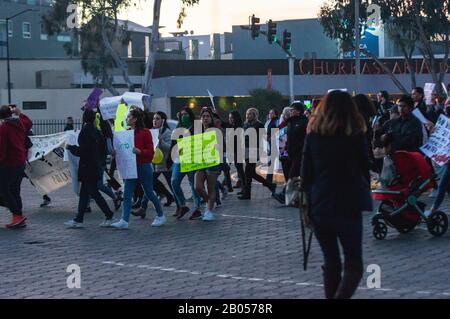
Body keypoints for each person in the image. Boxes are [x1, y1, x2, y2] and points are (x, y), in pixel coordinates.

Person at [301, 90, 372, 299]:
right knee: (354, 264)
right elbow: (364, 168)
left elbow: (306, 174)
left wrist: (307, 206)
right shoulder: (355, 134)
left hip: (321, 203)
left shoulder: (313, 135)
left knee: (331, 261)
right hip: (349, 203)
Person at [111, 108, 166, 229]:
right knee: (127, 194)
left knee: (149, 193)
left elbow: (151, 152)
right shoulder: (127, 132)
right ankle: (124, 220)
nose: (127, 119)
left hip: (143, 166)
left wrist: (140, 151)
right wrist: (116, 152)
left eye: (129, 117)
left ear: (135, 119)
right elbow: (123, 149)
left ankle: (161, 215)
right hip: (131, 168)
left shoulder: (145, 132)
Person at [64, 109, 115, 229]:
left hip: (87, 167)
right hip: (95, 166)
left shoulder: (85, 132)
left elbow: (83, 151)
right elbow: (102, 150)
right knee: (85, 193)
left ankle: (109, 215)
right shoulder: (97, 132)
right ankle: (79, 219)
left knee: (93, 193)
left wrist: (71, 147)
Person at [132, 111, 175, 218]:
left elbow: (169, 148)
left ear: (162, 121)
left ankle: (180, 205)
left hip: (165, 164)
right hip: (155, 164)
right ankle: (143, 207)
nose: (155, 121)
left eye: (158, 119)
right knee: (149, 186)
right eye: (154, 119)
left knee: (173, 185)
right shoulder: (152, 132)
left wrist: (160, 141)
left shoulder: (167, 132)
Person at [0, 105, 32, 228]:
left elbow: (2, 148)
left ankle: (17, 215)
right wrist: (20, 113)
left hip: (9, 163)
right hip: (20, 162)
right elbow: (29, 122)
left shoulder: (4, 128)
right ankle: (18, 217)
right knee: (14, 189)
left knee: (4, 189)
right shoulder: (19, 123)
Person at [170, 107, 203, 220]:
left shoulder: (196, 126)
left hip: (192, 159)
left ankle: (197, 208)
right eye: (182, 114)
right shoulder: (178, 127)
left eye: (186, 114)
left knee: (193, 185)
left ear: (190, 115)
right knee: (174, 181)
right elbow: (173, 144)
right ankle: (182, 205)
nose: (184, 116)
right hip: (179, 159)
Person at [238, 108, 276, 200]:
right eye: (247, 114)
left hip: (254, 149)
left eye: (250, 114)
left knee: (248, 172)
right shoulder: (245, 124)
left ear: (255, 115)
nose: (248, 115)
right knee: (251, 173)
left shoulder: (259, 125)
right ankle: (269, 185)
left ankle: (248, 193)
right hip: (246, 149)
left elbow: (264, 136)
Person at [194, 107, 222, 221]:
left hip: (212, 162)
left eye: (207, 116)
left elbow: (220, 146)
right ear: (200, 118)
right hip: (200, 163)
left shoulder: (216, 131)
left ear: (211, 118)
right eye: (203, 116)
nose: (205, 118)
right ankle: (209, 203)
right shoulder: (197, 130)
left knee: (211, 188)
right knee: (198, 187)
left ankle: (209, 211)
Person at [285, 101, 308, 180]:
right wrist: (286, 146)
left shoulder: (304, 121)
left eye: (292, 110)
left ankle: (286, 191)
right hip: (290, 152)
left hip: (300, 152)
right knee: (294, 174)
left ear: (299, 111)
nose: (290, 111)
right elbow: (289, 137)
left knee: (292, 175)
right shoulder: (290, 122)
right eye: (290, 110)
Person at [228, 111, 246, 189]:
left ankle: (244, 185)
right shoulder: (233, 126)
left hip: (239, 150)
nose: (230, 119)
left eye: (232, 117)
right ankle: (240, 182)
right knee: (238, 167)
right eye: (229, 118)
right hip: (235, 150)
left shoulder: (239, 127)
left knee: (239, 168)